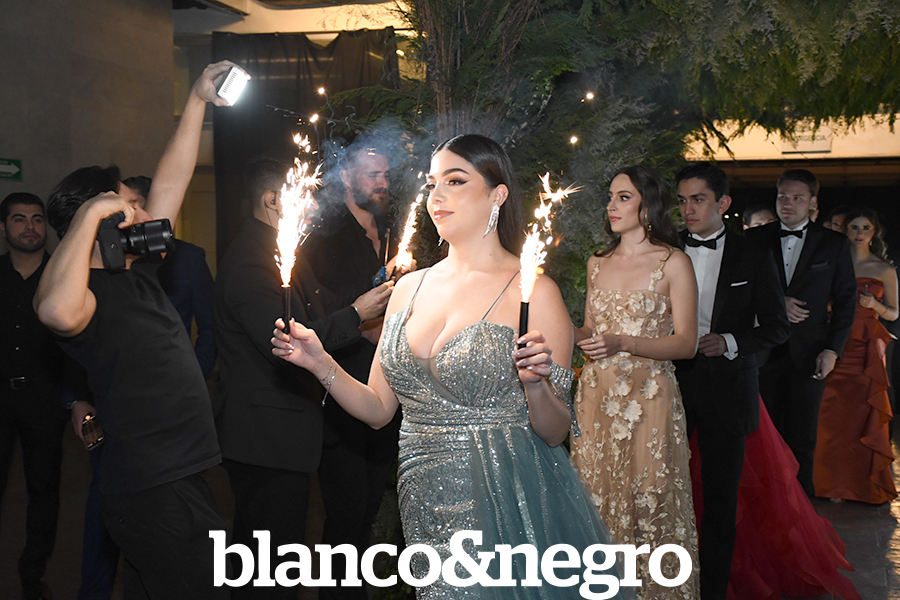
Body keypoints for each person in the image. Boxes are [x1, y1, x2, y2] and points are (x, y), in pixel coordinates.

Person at [273, 134, 628, 599]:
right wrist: (320, 362)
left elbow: (554, 432)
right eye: (432, 183)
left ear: (497, 195)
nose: (436, 196)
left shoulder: (533, 292)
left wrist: (536, 387)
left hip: (507, 497)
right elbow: (378, 409)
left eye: (455, 181)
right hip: (424, 500)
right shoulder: (409, 288)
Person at [35, 61, 238, 600]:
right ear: (100, 224)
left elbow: (172, 179)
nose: (146, 212)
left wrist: (196, 99)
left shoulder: (137, 271)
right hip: (153, 486)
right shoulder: (85, 300)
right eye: (131, 206)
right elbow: (53, 311)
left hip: (177, 476)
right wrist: (91, 215)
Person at [214, 156, 393, 600]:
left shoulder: (285, 253)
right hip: (264, 439)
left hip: (286, 437)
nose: (315, 206)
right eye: (306, 195)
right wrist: (358, 313)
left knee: (272, 562)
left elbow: (321, 307)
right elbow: (285, 346)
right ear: (273, 200)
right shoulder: (252, 261)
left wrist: (376, 296)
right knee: (269, 569)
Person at [571, 165, 700, 599]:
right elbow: (590, 331)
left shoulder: (673, 262)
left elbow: (686, 343)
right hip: (596, 398)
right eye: (610, 196)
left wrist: (625, 342)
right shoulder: (596, 262)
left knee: (651, 499)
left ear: (649, 205)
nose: (612, 205)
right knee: (596, 498)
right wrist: (557, 325)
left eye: (623, 197)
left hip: (650, 399)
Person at [673, 163, 790, 600]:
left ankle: (712, 591)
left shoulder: (752, 254)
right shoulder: (664, 250)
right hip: (668, 385)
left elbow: (777, 327)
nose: (688, 209)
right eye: (682, 200)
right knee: (662, 490)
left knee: (721, 501)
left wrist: (730, 341)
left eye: (698, 199)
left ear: (723, 203)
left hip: (729, 387)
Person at [303, 137, 403, 600]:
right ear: (345, 177)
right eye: (372, 175)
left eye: (386, 175)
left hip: (387, 389)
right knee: (344, 515)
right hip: (341, 393)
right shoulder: (323, 238)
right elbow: (324, 314)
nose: (382, 183)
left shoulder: (393, 230)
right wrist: (368, 326)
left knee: (366, 511)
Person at [745, 169, 856, 497]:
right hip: (759, 354)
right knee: (759, 438)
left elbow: (846, 302)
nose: (788, 203)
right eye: (783, 196)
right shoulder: (753, 239)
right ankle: (763, 507)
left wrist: (832, 350)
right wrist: (778, 302)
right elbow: (738, 292)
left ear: (812, 202)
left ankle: (800, 512)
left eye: (797, 197)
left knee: (803, 440)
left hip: (809, 353)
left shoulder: (834, 243)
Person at [0, 193, 67, 600]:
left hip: (45, 400)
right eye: (19, 219)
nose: (30, 227)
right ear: (4, 228)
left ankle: (32, 575)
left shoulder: (62, 275)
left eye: (37, 219)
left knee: (44, 491)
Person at [814, 207, 898, 503]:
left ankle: (861, 487)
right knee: (829, 413)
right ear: (845, 230)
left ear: (874, 233)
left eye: (865, 228)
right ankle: (828, 484)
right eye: (854, 227)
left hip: (865, 348)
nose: (859, 234)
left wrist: (875, 306)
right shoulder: (834, 262)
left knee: (860, 413)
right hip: (834, 342)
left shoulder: (884, 269)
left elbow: (894, 313)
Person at [123, 175, 217, 380]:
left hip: (175, 375)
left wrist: (196, 378)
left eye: (135, 206)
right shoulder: (111, 260)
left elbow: (209, 327)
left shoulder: (189, 257)